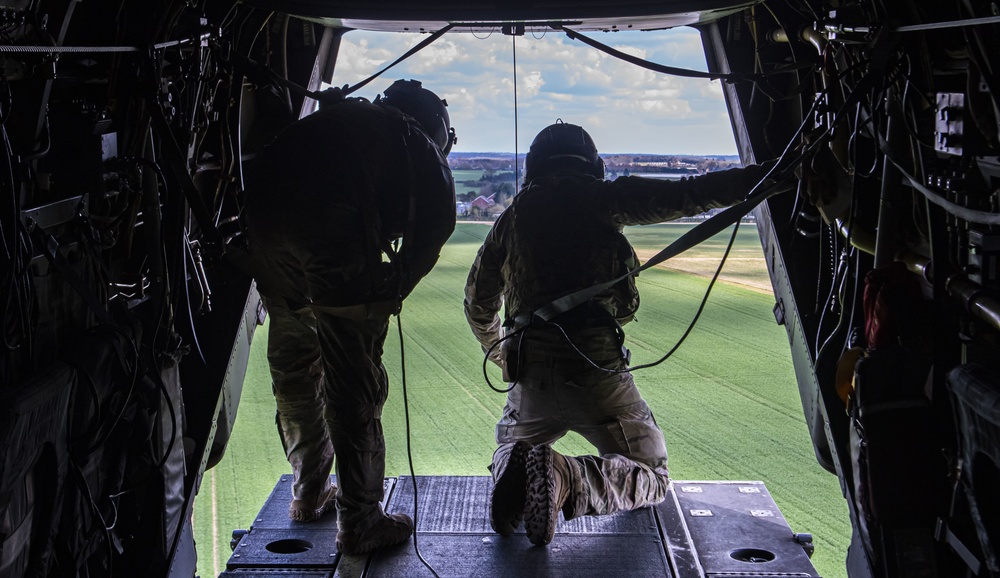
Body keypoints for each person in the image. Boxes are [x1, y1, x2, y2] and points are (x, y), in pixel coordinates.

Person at [464, 120, 782, 546]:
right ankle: (566, 477)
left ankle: (510, 475)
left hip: (531, 372)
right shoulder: (602, 199)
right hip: (597, 371)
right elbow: (688, 194)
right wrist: (776, 173)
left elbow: (478, 302)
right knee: (652, 473)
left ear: (532, 169)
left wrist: (499, 353)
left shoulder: (512, 216)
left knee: (512, 440)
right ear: (593, 166)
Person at [243, 79, 456, 554]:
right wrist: (394, 288)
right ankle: (361, 521)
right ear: (435, 127)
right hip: (328, 228)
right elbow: (442, 222)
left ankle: (309, 491)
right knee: (354, 376)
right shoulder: (415, 142)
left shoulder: (343, 121)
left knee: (296, 363)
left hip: (262, 227)